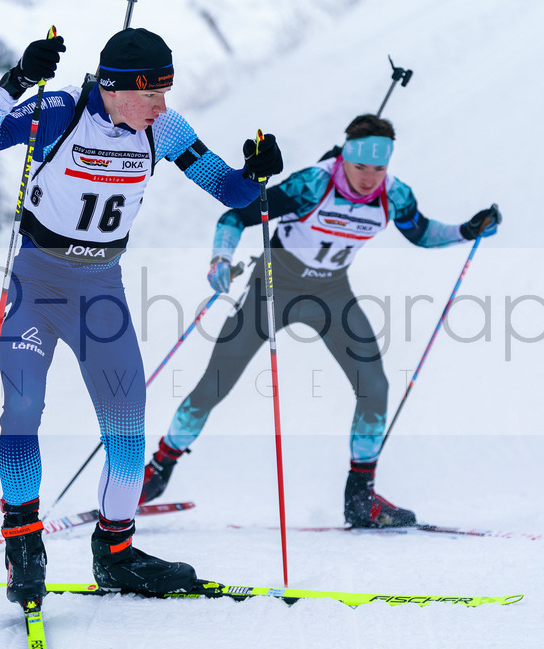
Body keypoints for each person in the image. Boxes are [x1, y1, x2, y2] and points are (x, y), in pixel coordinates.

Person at [0, 28, 283, 606]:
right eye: (151, 93)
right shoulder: (61, 111)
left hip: (100, 291)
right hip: (38, 284)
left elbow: (230, 192)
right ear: (115, 87)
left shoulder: (164, 129)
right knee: (23, 409)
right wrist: (19, 80)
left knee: (128, 430)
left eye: (165, 92)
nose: (161, 104)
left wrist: (255, 173)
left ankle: (116, 553)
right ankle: (23, 544)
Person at [140, 114, 500, 528]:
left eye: (378, 168)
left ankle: (360, 497)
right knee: (216, 382)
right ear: (344, 156)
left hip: (331, 293)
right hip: (273, 286)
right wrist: (220, 259)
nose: (369, 178)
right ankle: (157, 471)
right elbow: (236, 217)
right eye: (360, 166)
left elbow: (421, 233)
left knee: (375, 386)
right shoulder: (313, 183)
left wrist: (467, 230)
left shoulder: (394, 194)